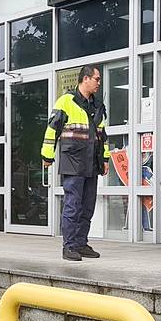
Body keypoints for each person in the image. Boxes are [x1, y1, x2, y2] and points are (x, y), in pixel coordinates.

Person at [41, 66, 110, 261]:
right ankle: (69, 246)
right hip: (73, 160)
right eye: (96, 79)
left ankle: (81, 243)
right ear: (85, 79)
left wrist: (105, 159)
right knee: (73, 205)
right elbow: (51, 130)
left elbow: (102, 136)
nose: (98, 82)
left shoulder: (97, 105)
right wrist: (47, 156)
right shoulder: (66, 101)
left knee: (87, 206)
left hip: (92, 162)